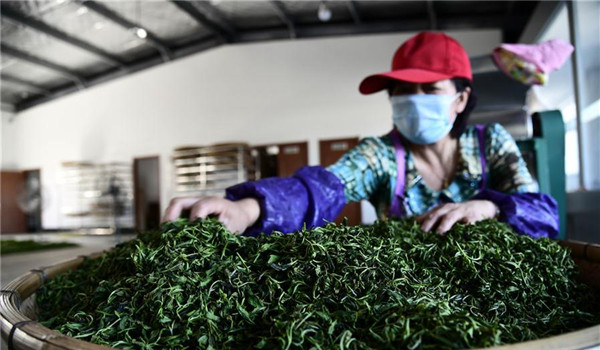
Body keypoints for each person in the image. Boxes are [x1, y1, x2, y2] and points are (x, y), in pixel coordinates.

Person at [163, 32, 559, 239]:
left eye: (429, 90)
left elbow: (544, 214)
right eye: (402, 91)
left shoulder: (491, 142)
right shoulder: (382, 155)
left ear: (460, 99)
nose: (412, 100)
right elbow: (322, 188)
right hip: (414, 296)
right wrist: (247, 208)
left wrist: (487, 208)